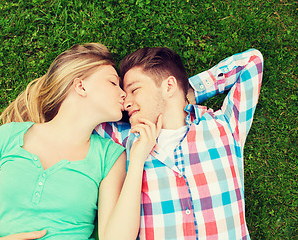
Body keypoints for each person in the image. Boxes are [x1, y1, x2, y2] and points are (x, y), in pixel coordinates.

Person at [0, 43, 162, 240]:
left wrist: (136, 162)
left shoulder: (110, 156)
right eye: (112, 83)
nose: (124, 94)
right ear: (80, 86)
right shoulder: (7, 137)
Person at [94, 47, 263, 239]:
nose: (126, 103)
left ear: (169, 86)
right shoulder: (126, 139)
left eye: (134, 90)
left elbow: (252, 61)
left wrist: (186, 93)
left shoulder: (225, 126)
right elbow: (84, 115)